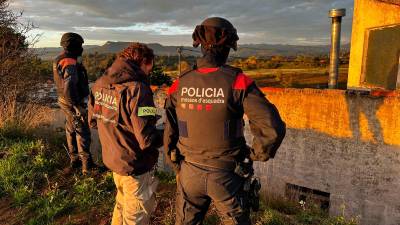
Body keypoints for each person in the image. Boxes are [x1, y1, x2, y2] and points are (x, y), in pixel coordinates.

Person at [164, 17, 286, 225]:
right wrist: (254, 154)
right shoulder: (238, 81)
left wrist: (176, 166)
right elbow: (272, 126)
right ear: (227, 47)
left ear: (201, 46)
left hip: (188, 172)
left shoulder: (179, 83)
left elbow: (169, 130)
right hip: (227, 176)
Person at [88, 42, 163, 225]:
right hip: (135, 165)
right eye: (150, 66)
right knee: (135, 215)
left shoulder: (100, 84)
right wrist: (169, 133)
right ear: (144, 62)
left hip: (114, 160)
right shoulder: (138, 90)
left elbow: (92, 121)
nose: (150, 71)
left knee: (121, 205)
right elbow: (147, 138)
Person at [53, 32, 93, 174]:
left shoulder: (61, 58)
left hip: (65, 100)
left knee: (71, 129)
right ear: (73, 45)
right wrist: (78, 107)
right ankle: (87, 168)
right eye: (80, 45)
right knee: (82, 132)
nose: (81, 48)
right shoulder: (69, 61)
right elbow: (69, 86)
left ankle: (75, 162)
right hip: (73, 102)